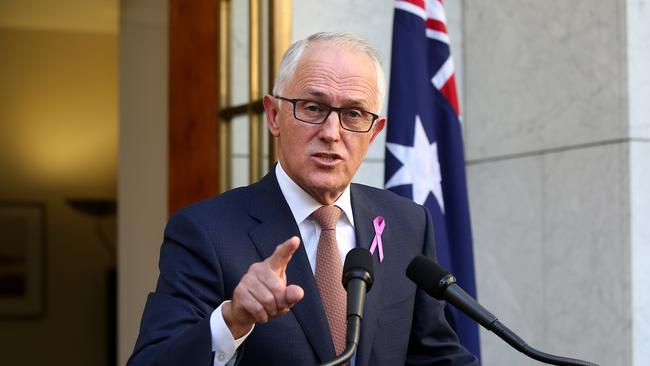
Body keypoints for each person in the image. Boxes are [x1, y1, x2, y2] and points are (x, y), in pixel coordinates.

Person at [128, 32, 478, 366]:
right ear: (274, 116)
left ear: (373, 133)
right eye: (312, 108)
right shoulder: (205, 232)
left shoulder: (407, 224)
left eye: (353, 114)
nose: (331, 133)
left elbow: (435, 355)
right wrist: (232, 320)